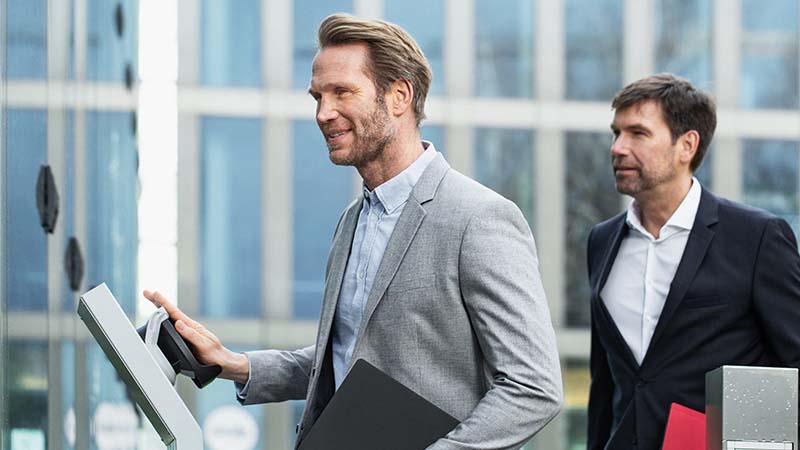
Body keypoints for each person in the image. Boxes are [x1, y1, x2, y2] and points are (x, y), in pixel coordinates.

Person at [146, 13, 562, 450]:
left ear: (399, 96)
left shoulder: (479, 219)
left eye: (342, 92)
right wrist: (234, 363)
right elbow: (347, 356)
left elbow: (533, 386)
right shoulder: (351, 221)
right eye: (317, 97)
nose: (324, 113)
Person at [586, 73, 800, 450]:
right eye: (616, 133)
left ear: (687, 145)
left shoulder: (757, 237)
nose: (618, 148)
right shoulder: (602, 241)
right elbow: (605, 382)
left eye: (638, 133)